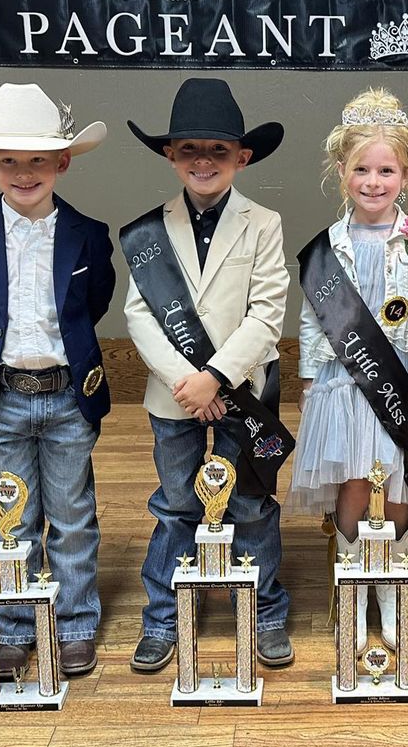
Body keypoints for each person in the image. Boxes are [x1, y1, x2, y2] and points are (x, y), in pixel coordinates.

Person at [0, 83, 115, 678]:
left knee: (71, 512)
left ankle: (73, 623)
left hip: (67, 393)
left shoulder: (89, 233)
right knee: (11, 514)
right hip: (3, 395)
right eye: (8, 161)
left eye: (38, 160)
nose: (24, 172)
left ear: (62, 162)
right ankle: (15, 622)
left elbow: (92, 303)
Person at [121, 78, 296, 673]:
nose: (203, 160)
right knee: (175, 505)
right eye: (189, 149)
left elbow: (268, 313)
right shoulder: (147, 232)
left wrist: (216, 377)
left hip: (242, 390)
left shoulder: (264, 223)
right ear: (170, 155)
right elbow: (139, 315)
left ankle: (266, 611)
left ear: (242, 158)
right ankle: (162, 618)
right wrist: (187, 383)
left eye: (218, 150)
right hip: (174, 398)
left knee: (249, 501)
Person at [291, 88, 408, 654]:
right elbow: (315, 320)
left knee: (395, 490)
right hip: (345, 389)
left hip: (406, 382)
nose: (373, 181)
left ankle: (391, 586)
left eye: (385, 170)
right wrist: (313, 381)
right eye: (360, 169)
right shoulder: (327, 248)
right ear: (340, 171)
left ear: (407, 173)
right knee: (352, 487)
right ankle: (354, 585)